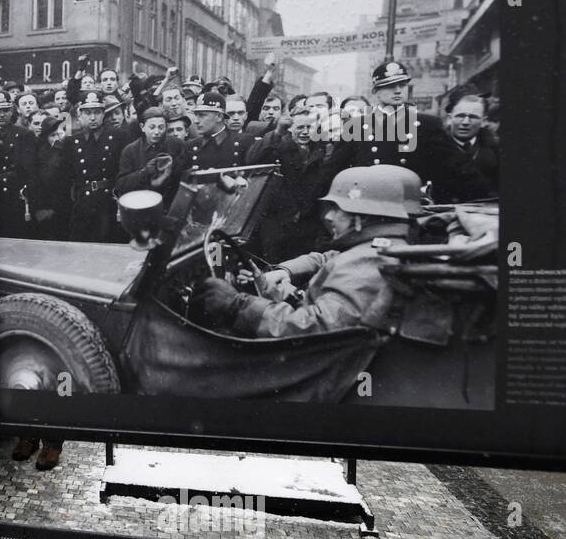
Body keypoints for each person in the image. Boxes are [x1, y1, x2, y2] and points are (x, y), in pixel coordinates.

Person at [192, 166, 416, 337]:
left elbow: (317, 329)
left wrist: (238, 306)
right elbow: (319, 291)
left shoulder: (369, 262)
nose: (328, 217)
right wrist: (271, 283)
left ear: (362, 217)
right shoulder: (375, 249)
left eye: (337, 209)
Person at [342, 61, 491, 203]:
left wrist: (488, 203)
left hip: (407, 209)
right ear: (376, 91)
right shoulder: (357, 126)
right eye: (390, 86)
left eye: (402, 85)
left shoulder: (427, 126)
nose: (398, 90)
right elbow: (332, 171)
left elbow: (460, 170)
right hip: (365, 206)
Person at [251, 107, 352, 263]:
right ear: (291, 128)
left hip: (308, 224)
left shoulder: (323, 150)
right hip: (279, 222)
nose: (305, 132)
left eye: (309, 127)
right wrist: (277, 132)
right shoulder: (279, 147)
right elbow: (253, 159)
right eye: (300, 127)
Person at [64, 91, 124, 242]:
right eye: (88, 113)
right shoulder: (72, 142)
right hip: (82, 204)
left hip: (108, 202)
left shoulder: (118, 136)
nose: (92, 117)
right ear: (80, 114)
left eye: (97, 112)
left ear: (103, 114)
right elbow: (67, 176)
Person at [113, 106, 187, 209]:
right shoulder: (131, 150)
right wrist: (144, 172)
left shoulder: (177, 145)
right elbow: (121, 184)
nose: (156, 132)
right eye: (152, 127)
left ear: (166, 127)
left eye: (161, 127)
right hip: (143, 207)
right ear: (142, 127)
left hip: (171, 205)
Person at [0, 89, 31, 238]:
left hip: (15, 196)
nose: (1, 114)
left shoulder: (24, 134)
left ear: (12, 111)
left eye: (5, 110)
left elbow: (29, 168)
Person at [25, 114, 72, 242]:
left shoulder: (70, 151)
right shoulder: (40, 156)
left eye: (60, 133)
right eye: (53, 135)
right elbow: (38, 182)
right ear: (45, 138)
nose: (58, 138)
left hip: (68, 208)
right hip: (48, 209)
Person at [445, 94, 499, 193]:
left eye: (473, 117)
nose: (465, 122)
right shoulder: (433, 147)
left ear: (483, 121)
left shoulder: (495, 151)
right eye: (460, 116)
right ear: (449, 119)